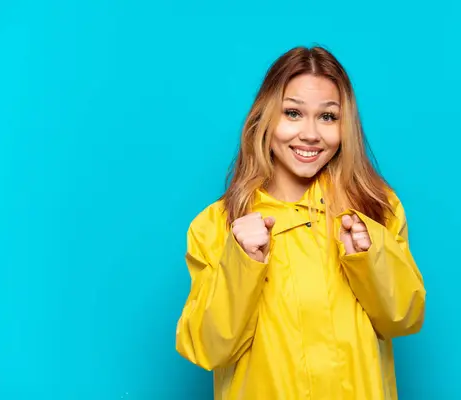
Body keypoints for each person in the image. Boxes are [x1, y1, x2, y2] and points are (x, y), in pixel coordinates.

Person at [175, 46, 426, 400]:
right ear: (264, 118)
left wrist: (371, 259)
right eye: (292, 113)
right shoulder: (217, 226)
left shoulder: (375, 208)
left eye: (327, 117)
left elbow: (403, 318)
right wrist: (241, 263)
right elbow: (207, 348)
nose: (310, 134)